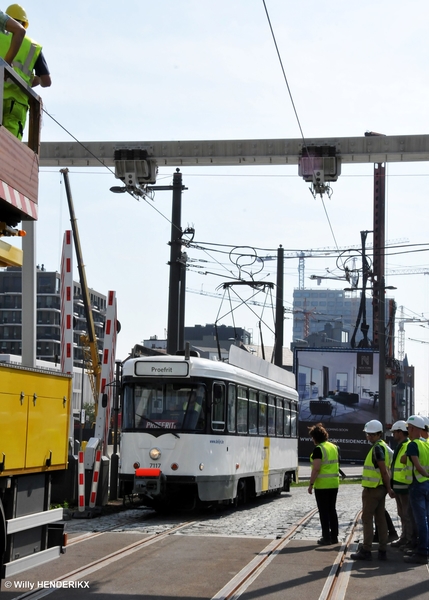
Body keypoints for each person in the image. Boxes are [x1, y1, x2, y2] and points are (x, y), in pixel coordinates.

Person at [0, 4, 51, 139]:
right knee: (9, 150)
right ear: (24, 23)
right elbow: (46, 81)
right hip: (16, 102)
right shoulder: (33, 46)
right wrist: (31, 79)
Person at [350, 419, 395, 561]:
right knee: (380, 518)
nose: (369, 437)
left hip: (373, 489)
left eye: (371, 434)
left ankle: (366, 549)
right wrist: (387, 487)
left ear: (378, 434)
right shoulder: (384, 446)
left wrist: (389, 487)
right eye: (368, 434)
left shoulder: (377, 448)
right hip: (379, 488)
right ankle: (382, 550)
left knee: (367, 518)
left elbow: (383, 470)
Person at [402, 414, 429, 565]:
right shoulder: (426, 444)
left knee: (420, 521)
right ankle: (425, 549)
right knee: (427, 519)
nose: (408, 431)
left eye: (408, 428)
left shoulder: (413, 445)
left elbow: (417, 465)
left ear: (412, 429)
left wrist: (423, 473)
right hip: (427, 484)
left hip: (417, 484)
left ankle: (422, 552)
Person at [307, 423, 340, 546]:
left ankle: (326, 537)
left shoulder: (318, 449)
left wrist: (311, 484)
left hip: (322, 486)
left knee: (323, 512)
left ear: (315, 437)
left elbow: (316, 468)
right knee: (332, 510)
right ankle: (334, 536)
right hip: (334, 484)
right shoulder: (333, 447)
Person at [389, 420, 413, 549]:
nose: (393, 434)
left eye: (394, 432)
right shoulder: (400, 445)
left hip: (404, 485)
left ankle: (408, 539)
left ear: (400, 432)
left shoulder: (408, 445)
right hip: (398, 485)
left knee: (407, 514)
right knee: (401, 513)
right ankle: (404, 537)